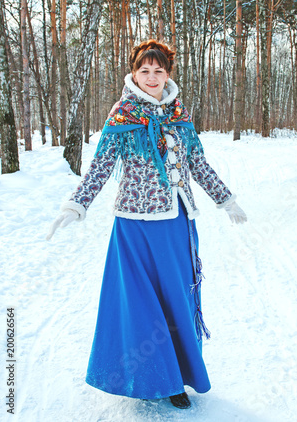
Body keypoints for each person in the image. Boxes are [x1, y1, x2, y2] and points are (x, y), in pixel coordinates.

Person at [47, 39, 247, 409]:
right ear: (134, 73)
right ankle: (157, 379)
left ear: (167, 73)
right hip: (134, 227)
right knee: (141, 305)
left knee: (176, 301)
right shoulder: (122, 114)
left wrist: (225, 198)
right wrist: (76, 204)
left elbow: (197, 164)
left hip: (175, 225)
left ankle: (177, 377)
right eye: (144, 70)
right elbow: (102, 166)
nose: (151, 77)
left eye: (158, 70)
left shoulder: (179, 114)